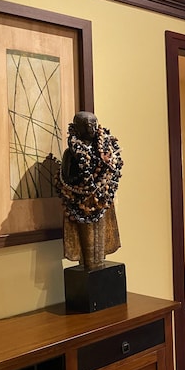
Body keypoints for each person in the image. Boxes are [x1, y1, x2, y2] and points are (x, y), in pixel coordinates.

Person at [55, 111, 123, 270]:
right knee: (87, 240)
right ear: (77, 129)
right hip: (80, 202)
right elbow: (66, 176)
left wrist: (103, 172)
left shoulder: (103, 150)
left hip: (101, 200)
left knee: (101, 237)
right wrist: (85, 180)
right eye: (86, 126)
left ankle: (98, 262)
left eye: (94, 124)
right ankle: (90, 263)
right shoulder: (71, 153)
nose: (91, 128)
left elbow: (111, 171)